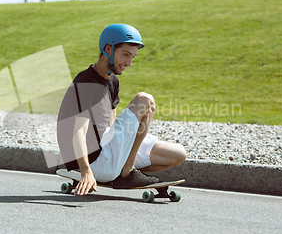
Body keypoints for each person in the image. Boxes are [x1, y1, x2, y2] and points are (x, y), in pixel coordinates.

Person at [57, 23, 186, 196]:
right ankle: (127, 171)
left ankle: (124, 170)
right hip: (95, 161)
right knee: (145, 100)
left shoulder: (112, 81)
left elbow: (111, 124)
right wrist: (86, 171)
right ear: (108, 49)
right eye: (125, 55)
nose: (129, 62)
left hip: (108, 151)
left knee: (178, 155)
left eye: (133, 56)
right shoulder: (87, 82)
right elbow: (78, 132)